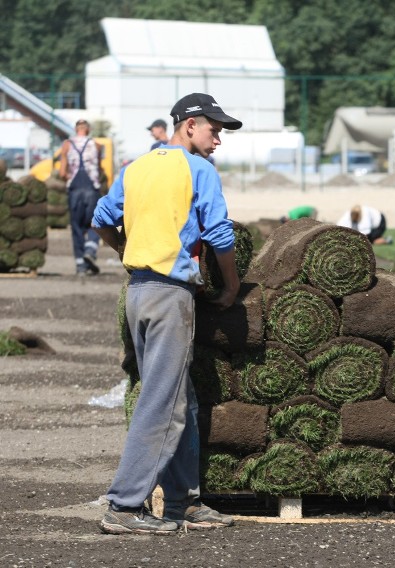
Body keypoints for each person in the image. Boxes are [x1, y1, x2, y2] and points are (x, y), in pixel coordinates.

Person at [91, 93, 242, 535]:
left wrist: (125, 249)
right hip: (170, 296)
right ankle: (123, 506)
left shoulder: (135, 168)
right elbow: (219, 232)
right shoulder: (199, 170)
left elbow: (102, 217)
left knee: (180, 397)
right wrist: (231, 286)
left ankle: (184, 501)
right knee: (163, 403)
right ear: (190, 125)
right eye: (215, 130)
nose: (218, 140)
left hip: (138, 291)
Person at [59, 119, 102, 276]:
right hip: (92, 189)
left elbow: (62, 172)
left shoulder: (67, 145)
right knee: (94, 223)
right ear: (88, 130)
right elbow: (100, 168)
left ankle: (80, 267)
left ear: (76, 129)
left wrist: (69, 177)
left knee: (76, 227)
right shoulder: (96, 145)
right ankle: (90, 249)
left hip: (75, 189)